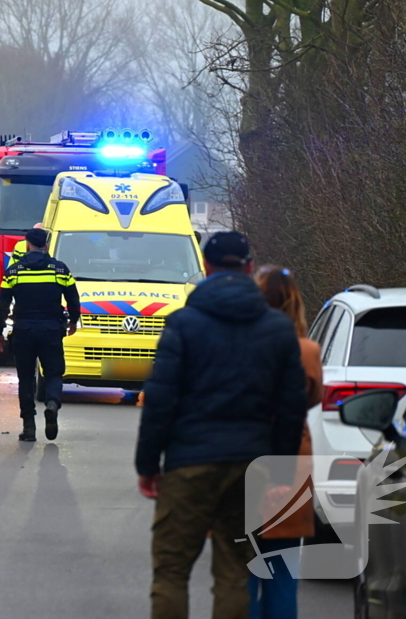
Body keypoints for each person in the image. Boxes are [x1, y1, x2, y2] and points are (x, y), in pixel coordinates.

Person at [135, 231, 307, 619]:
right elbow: (291, 406)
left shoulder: (182, 323)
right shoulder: (278, 329)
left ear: (206, 267)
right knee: (233, 573)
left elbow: (160, 399)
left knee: (172, 571)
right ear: (249, 268)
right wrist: (282, 470)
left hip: (188, 462)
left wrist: (148, 465)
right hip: (251, 465)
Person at [247, 265, 324, 619]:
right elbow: (312, 397)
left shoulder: (241, 345)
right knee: (282, 572)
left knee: (243, 573)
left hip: (245, 456)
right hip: (292, 460)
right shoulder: (307, 351)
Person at [0, 227, 79, 442]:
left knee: (25, 378)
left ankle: (29, 427)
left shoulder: (14, 271)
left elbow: (3, 305)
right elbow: (73, 298)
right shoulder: (60, 269)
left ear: (27, 245)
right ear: (46, 245)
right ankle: (52, 404)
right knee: (54, 373)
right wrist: (72, 321)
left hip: (24, 330)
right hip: (51, 330)